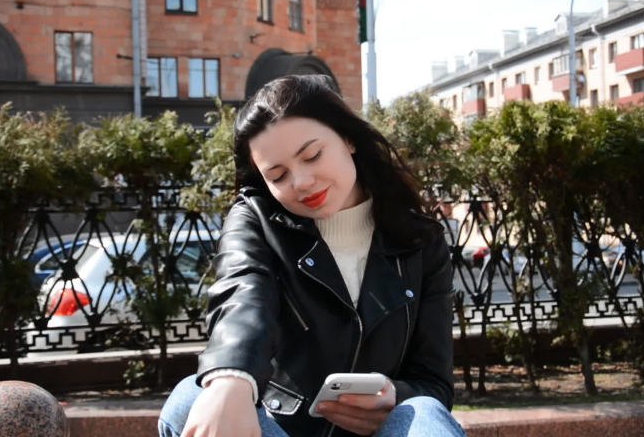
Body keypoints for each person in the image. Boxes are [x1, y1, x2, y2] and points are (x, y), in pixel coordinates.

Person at [158, 75, 465, 437]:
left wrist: (394, 395)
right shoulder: (257, 219)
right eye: (278, 175)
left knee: (423, 411)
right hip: (281, 431)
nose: (301, 182)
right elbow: (243, 293)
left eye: (312, 155)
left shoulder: (420, 240)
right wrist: (230, 378)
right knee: (190, 398)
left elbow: (435, 383)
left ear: (348, 138)